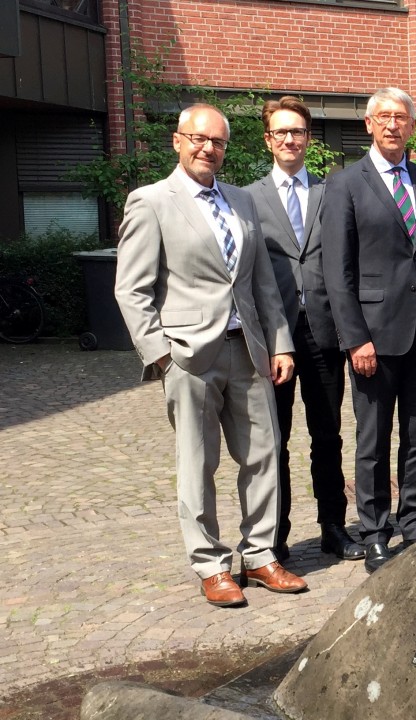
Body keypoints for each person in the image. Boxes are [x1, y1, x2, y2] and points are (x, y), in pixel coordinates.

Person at [114, 103, 308, 607]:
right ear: (178, 141)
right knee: (197, 464)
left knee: (264, 457)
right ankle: (211, 565)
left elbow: (264, 283)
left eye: (218, 142)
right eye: (199, 139)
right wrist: (160, 355)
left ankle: (261, 556)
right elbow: (131, 289)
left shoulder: (243, 202)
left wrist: (281, 342)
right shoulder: (151, 201)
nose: (208, 149)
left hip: (249, 350)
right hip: (189, 355)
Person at [321, 87, 416, 574]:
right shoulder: (345, 184)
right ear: (367, 124)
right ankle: (376, 529)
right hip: (374, 339)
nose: (392, 125)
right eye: (383, 117)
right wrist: (355, 337)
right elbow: (338, 272)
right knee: (374, 439)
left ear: (412, 126)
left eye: (400, 118)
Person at [244, 97, 363, 564]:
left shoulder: (330, 192)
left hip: (324, 333)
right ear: (268, 139)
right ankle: (275, 534)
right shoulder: (247, 198)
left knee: (327, 434)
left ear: (309, 139)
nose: (290, 139)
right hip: (274, 335)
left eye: (298, 132)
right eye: (281, 132)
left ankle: (333, 526)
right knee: (272, 439)